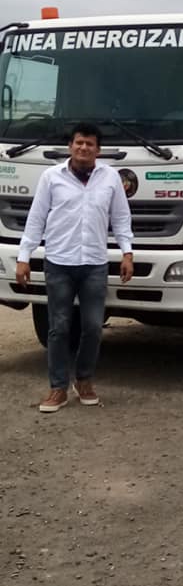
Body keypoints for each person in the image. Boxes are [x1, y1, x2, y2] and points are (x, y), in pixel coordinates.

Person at [15, 123, 134, 412]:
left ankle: (84, 380)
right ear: (70, 146)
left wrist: (127, 253)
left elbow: (120, 217)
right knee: (58, 327)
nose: (83, 148)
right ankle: (58, 388)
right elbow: (36, 218)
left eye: (90, 144)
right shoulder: (51, 177)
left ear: (98, 150)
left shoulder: (110, 178)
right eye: (79, 142)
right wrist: (23, 257)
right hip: (59, 263)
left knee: (93, 326)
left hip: (94, 264)